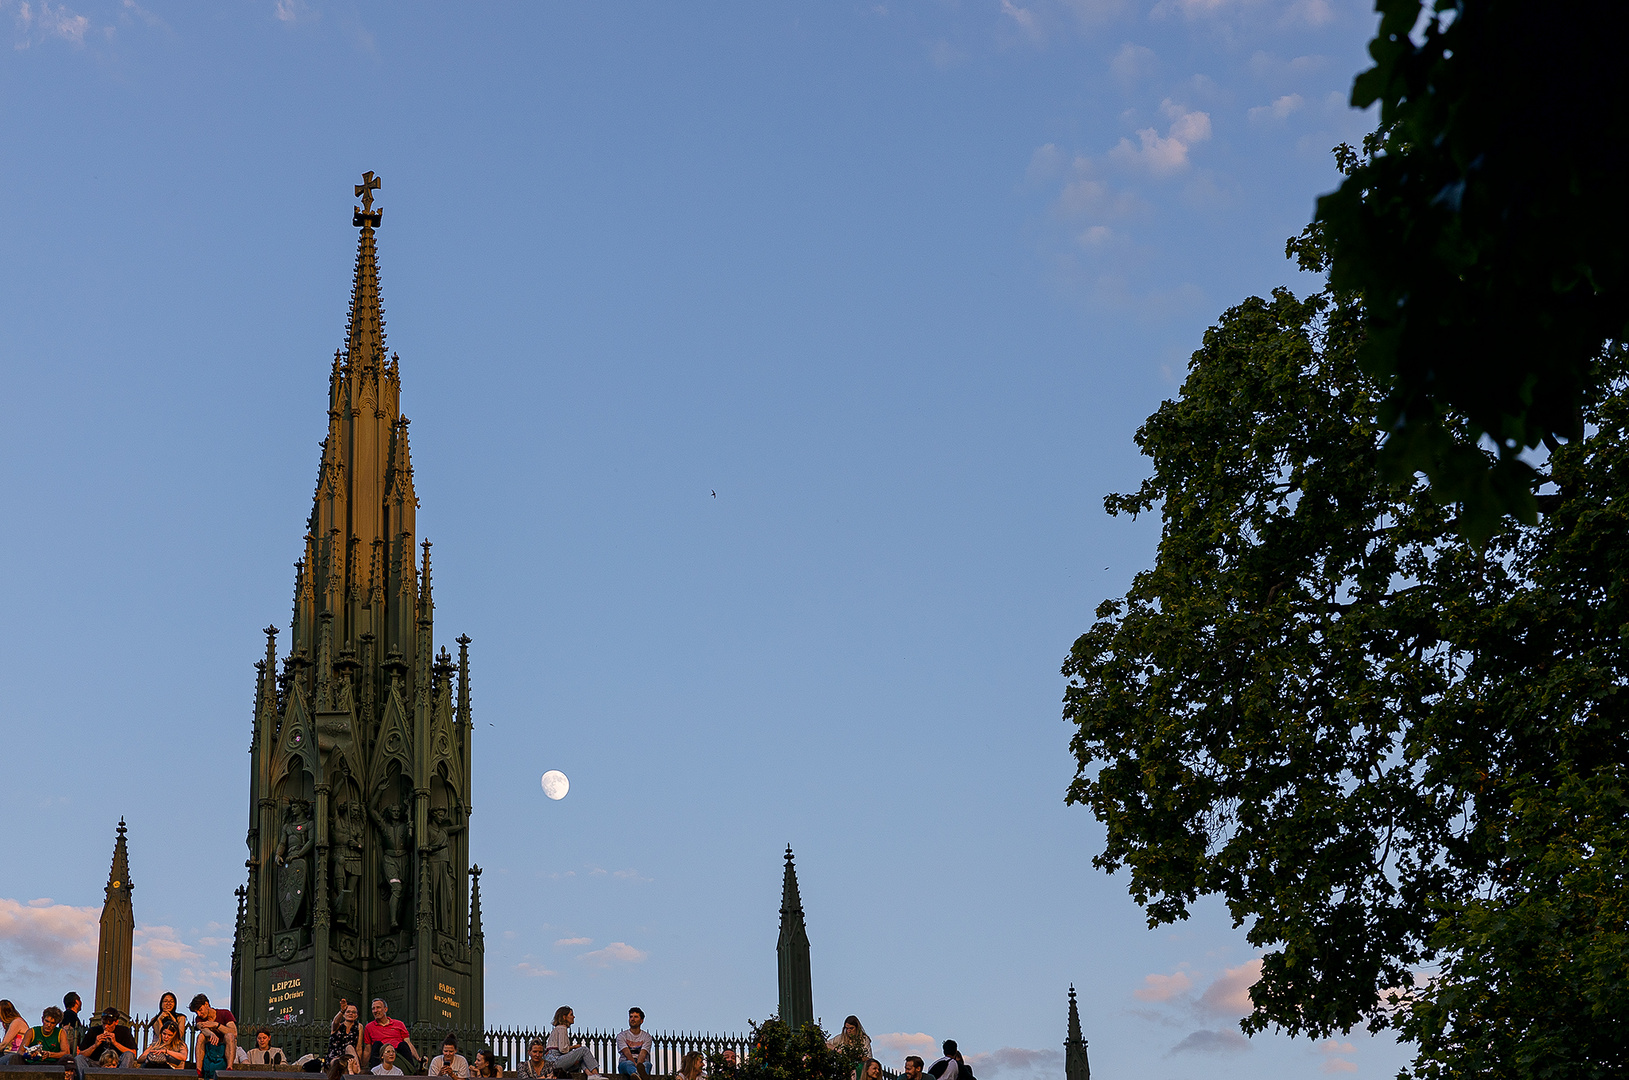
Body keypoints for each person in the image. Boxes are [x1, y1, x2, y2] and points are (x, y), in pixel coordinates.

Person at [75, 1007, 138, 1078]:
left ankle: (121, 1078)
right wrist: (95, 1045)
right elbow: (81, 1053)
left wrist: (115, 1043)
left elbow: (133, 1053)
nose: (105, 1027)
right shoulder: (93, 1031)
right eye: (104, 1023)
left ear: (116, 1022)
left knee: (128, 1055)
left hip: (117, 1065)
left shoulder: (124, 1031)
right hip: (98, 1063)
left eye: (109, 1025)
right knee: (79, 1059)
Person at [363, 999, 420, 1074]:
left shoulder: (399, 1024)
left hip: (397, 1051)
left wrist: (418, 1058)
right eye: (373, 1008)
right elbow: (368, 1049)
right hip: (381, 1052)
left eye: (378, 1007)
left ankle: (412, 1072)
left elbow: (408, 1043)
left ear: (385, 1009)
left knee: (403, 1045)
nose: (375, 1010)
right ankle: (374, 1074)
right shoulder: (369, 1027)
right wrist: (362, 1065)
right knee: (376, 1044)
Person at [189, 995, 238, 1078]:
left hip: (224, 1044)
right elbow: (202, 1028)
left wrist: (216, 1025)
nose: (199, 1014)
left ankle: (229, 1068)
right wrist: (211, 1033)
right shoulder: (199, 1018)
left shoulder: (225, 1013)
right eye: (196, 1012)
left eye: (200, 1010)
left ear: (206, 1004)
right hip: (210, 1046)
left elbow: (234, 1032)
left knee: (229, 1036)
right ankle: (199, 1070)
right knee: (201, 1036)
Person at [544, 1008, 601, 1078]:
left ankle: (590, 1075)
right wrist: (574, 1047)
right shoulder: (562, 1028)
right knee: (584, 1050)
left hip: (552, 1061)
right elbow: (563, 1049)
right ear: (564, 1017)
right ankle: (596, 1074)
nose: (574, 1017)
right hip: (555, 1061)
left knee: (581, 1057)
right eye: (571, 1014)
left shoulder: (557, 1029)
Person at [614, 1009, 651, 1078]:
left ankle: (637, 1075)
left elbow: (643, 1054)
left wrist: (639, 1065)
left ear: (641, 1021)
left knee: (647, 1064)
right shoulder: (622, 1036)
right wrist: (635, 1065)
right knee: (629, 1063)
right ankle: (638, 1074)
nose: (632, 1019)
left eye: (636, 1017)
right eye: (631, 1017)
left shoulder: (647, 1037)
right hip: (626, 1062)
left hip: (641, 1063)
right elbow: (627, 1053)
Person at [328, 1003, 363, 1074]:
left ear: (356, 1016)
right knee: (337, 1062)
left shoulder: (359, 1027)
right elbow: (335, 1022)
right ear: (343, 1015)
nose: (351, 1014)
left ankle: (358, 1072)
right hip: (336, 1056)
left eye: (353, 1012)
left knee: (349, 1047)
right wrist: (341, 1011)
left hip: (350, 1056)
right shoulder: (338, 1026)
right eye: (348, 1012)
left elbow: (358, 1048)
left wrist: (358, 1063)